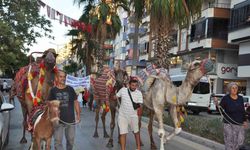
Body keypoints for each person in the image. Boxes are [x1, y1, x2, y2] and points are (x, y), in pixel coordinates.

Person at [48, 70, 81, 150]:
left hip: (70, 120)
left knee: (70, 141)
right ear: (57, 78)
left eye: (64, 77)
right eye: (61, 76)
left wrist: (78, 115)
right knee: (58, 142)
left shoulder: (70, 89)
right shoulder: (53, 90)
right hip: (58, 121)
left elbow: (75, 102)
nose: (63, 78)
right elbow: (49, 105)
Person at [215, 82, 247, 150]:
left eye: (236, 88)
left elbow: (242, 110)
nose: (235, 89)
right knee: (229, 142)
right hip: (228, 124)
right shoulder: (225, 98)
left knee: (239, 143)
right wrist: (216, 104)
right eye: (233, 88)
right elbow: (219, 110)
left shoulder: (240, 98)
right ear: (229, 89)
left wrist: (244, 121)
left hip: (239, 124)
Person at [116, 78, 143, 150]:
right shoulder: (123, 90)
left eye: (135, 86)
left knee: (136, 132)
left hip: (133, 116)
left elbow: (140, 104)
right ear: (129, 85)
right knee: (123, 133)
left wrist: (137, 106)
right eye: (132, 85)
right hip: (123, 116)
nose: (134, 87)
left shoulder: (139, 93)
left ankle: (138, 148)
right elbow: (116, 96)